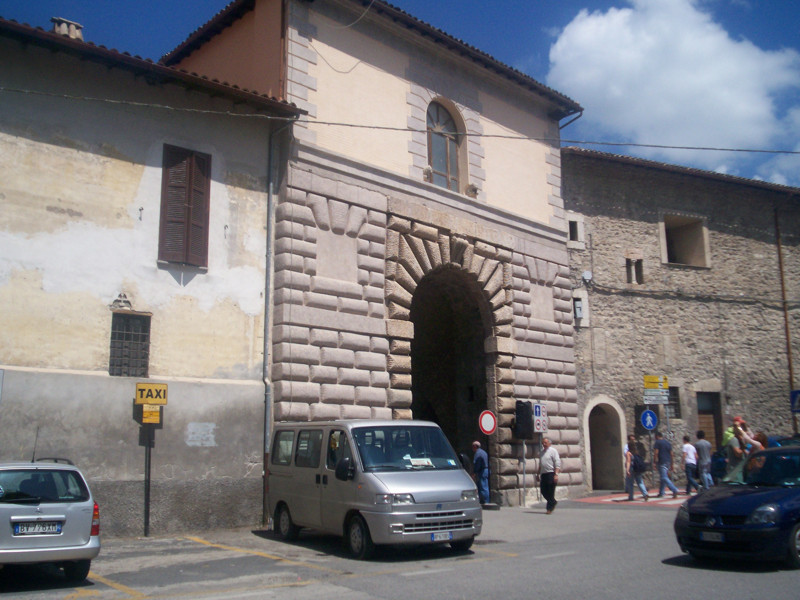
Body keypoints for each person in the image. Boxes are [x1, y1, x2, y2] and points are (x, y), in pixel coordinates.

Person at [653, 431, 679, 498]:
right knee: (663, 477)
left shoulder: (657, 442)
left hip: (662, 461)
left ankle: (674, 489)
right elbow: (671, 454)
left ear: (657, 436)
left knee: (664, 477)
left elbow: (656, 453)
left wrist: (654, 462)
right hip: (668, 461)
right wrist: (672, 464)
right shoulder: (668, 443)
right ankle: (661, 492)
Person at [539, 437, 561, 514]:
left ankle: (549, 508)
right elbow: (540, 464)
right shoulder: (541, 452)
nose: (543, 444)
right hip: (543, 474)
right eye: (543, 443)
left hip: (551, 473)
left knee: (550, 491)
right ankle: (553, 501)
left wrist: (556, 474)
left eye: (545, 442)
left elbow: (557, 463)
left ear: (549, 443)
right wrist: (538, 473)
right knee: (543, 491)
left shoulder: (553, 451)